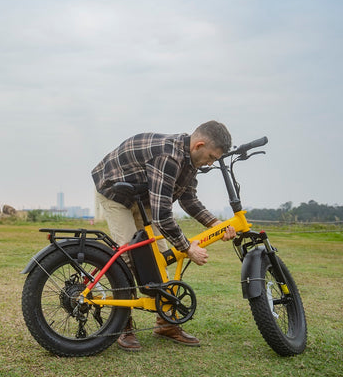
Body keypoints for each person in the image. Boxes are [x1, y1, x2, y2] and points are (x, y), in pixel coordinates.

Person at [91, 120, 237, 351]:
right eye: (210, 156)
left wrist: (215, 223)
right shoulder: (169, 157)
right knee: (128, 255)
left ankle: (166, 323)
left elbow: (188, 198)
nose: (211, 163)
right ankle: (123, 325)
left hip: (142, 195)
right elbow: (162, 216)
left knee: (160, 257)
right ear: (199, 145)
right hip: (114, 191)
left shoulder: (190, 161)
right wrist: (187, 247)